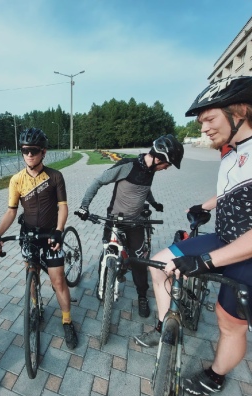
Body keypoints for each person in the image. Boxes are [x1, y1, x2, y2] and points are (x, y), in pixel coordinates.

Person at [134, 76, 252, 396]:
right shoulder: (231, 150)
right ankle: (164, 327)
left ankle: (215, 376)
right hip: (228, 239)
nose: (204, 129)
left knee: (228, 322)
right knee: (160, 265)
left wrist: (205, 261)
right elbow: (234, 190)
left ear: (239, 111)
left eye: (209, 119)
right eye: (201, 122)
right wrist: (205, 205)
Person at [76, 135, 184, 318]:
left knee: (139, 262)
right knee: (107, 253)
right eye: (167, 164)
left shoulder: (151, 170)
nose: (166, 168)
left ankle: (142, 295)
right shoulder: (127, 166)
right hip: (115, 220)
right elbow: (98, 181)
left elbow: (144, 189)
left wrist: (154, 203)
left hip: (136, 222)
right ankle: (103, 283)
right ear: (159, 159)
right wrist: (84, 206)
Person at [0, 127, 78, 349]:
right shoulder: (16, 180)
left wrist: (59, 230)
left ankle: (67, 320)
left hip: (50, 235)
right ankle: (36, 307)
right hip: (28, 235)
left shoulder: (55, 176)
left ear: (43, 152)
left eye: (34, 150)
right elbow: (11, 211)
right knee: (32, 274)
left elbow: (63, 207)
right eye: (25, 150)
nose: (29, 154)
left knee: (58, 280)